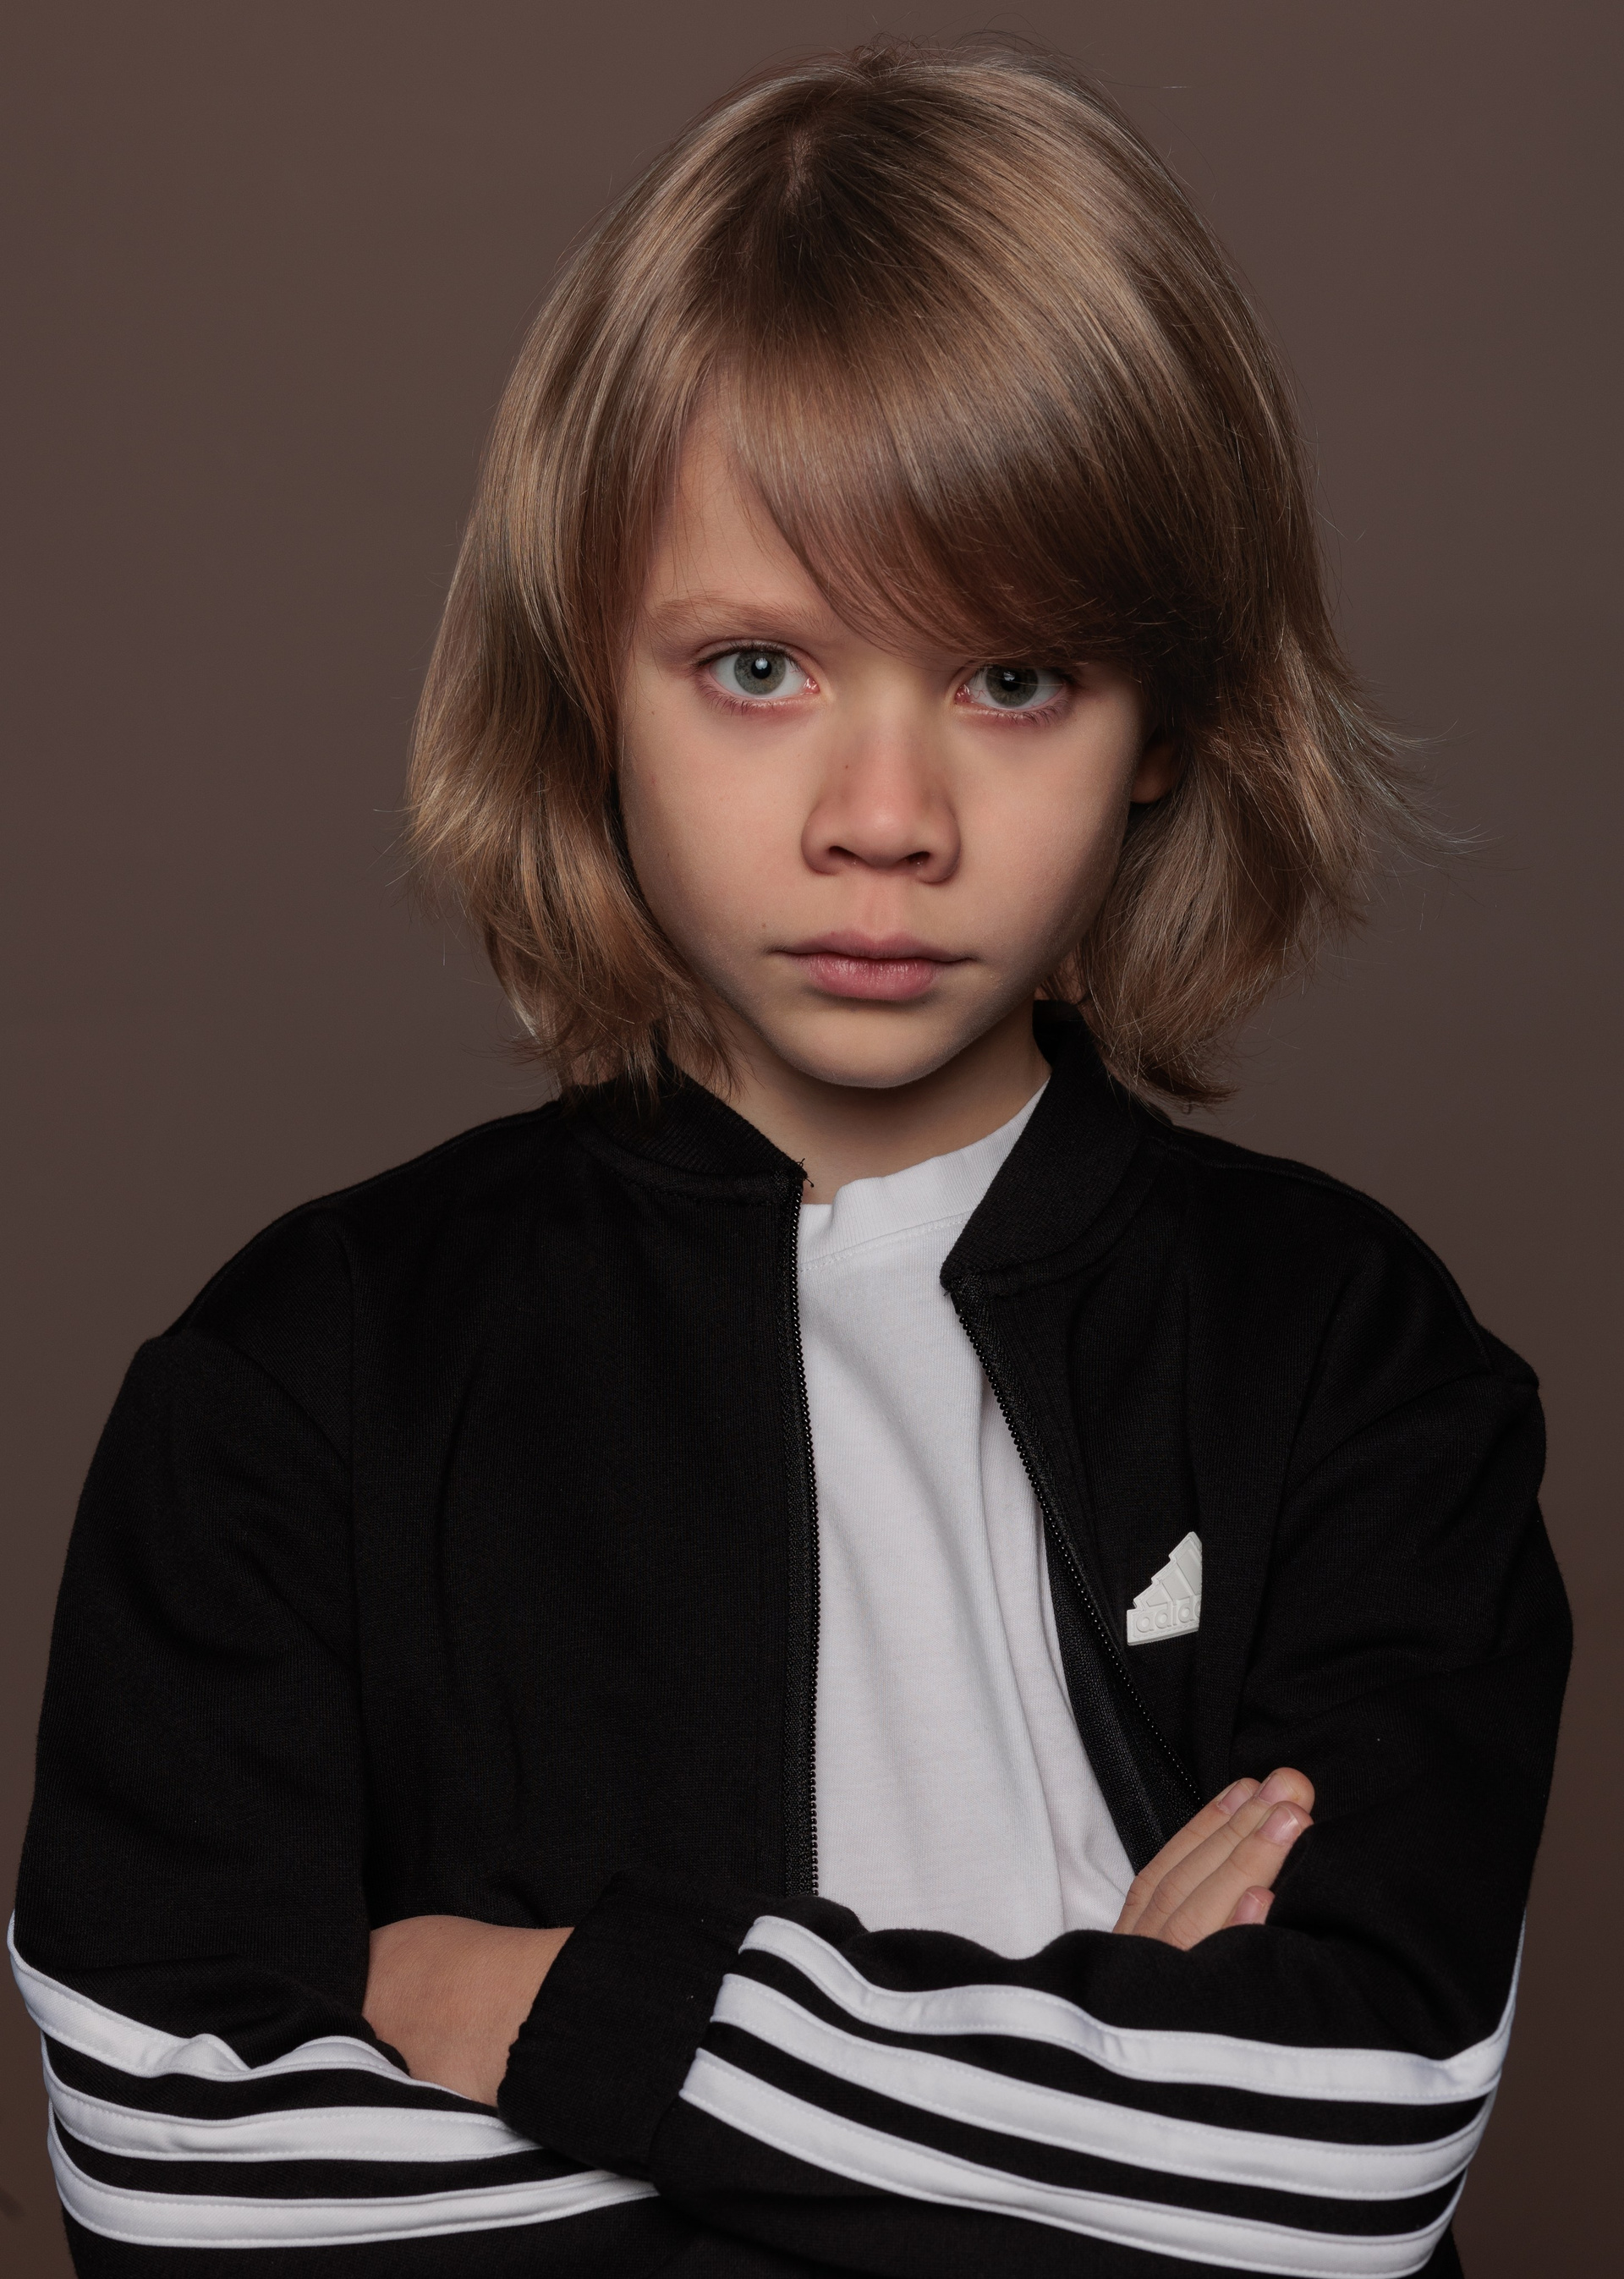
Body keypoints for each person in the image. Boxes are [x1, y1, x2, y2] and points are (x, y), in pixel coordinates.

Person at [11, 37, 1568, 2279]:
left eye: (1014, 677)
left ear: (1167, 724)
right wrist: (1076, 2096)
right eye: (758, 666)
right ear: (587, 674)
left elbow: (1331, 2160)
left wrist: (532, 2002)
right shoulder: (301, 1378)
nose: (885, 816)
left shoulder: (1347, 1357)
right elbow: (186, 2180)